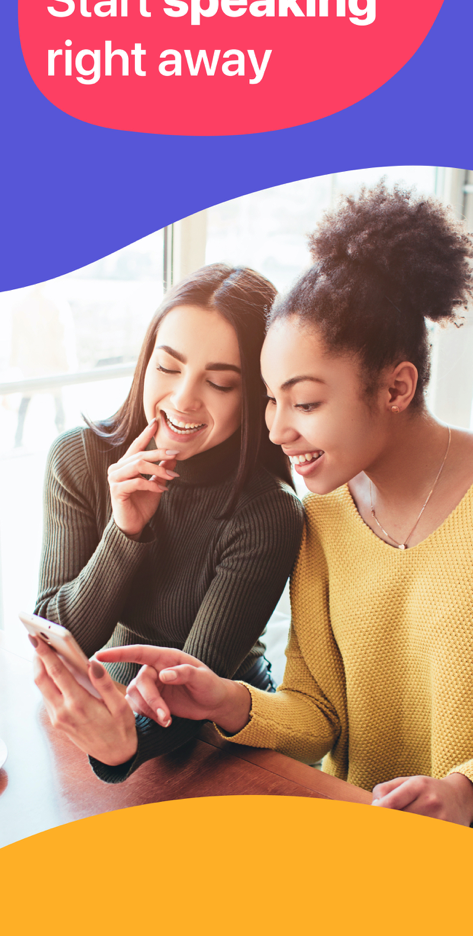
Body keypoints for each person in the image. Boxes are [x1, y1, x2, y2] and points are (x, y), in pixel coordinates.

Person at [52, 182, 473, 826]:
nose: (276, 430)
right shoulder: (327, 513)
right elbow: (317, 714)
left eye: (305, 403)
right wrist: (226, 699)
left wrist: (466, 790)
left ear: (396, 388)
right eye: (271, 399)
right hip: (362, 826)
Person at [32, 263, 304, 781]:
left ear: (255, 396)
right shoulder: (78, 459)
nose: (183, 399)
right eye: (168, 366)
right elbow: (56, 641)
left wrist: (125, 743)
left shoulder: (269, 513)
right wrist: (124, 532)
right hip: (108, 709)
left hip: (222, 741)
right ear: (146, 361)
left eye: (219, 382)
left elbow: (195, 686)